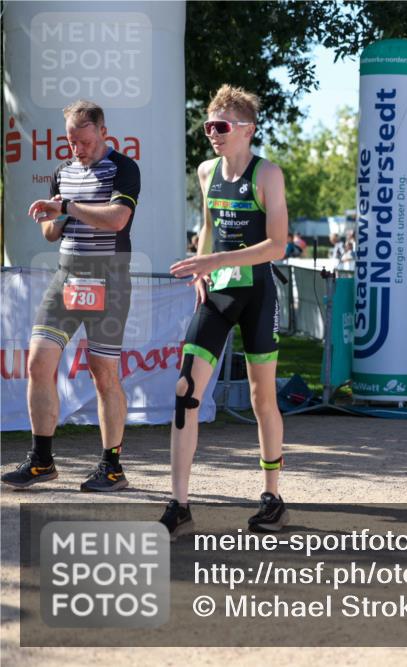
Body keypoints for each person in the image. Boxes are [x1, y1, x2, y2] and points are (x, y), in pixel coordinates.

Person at [158, 85, 290, 538]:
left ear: (248, 130)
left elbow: (277, 244)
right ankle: (179, 505)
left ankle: (272, 496)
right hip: (216, 292)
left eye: (222, 126)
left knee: (261, 398)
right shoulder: (206, 170)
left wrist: (212, 261)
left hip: (256, 291)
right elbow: (211, 224)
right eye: (208, 125)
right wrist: (202, 264)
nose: (212, 133)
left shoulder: (268, 174)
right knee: (184, 391)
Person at [2, 100, 140, 492]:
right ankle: (41, 461)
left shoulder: (124, 168)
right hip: (67, 274)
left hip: (109, 276)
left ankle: (112, 467)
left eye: (82, 140)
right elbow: (51, 231)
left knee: (103, 374)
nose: (76, 148)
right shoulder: (63, 173)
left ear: (102, 131)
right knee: (38, 362)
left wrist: (67, 207)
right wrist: (51, 215)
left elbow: (116, 219)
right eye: (70, 141)